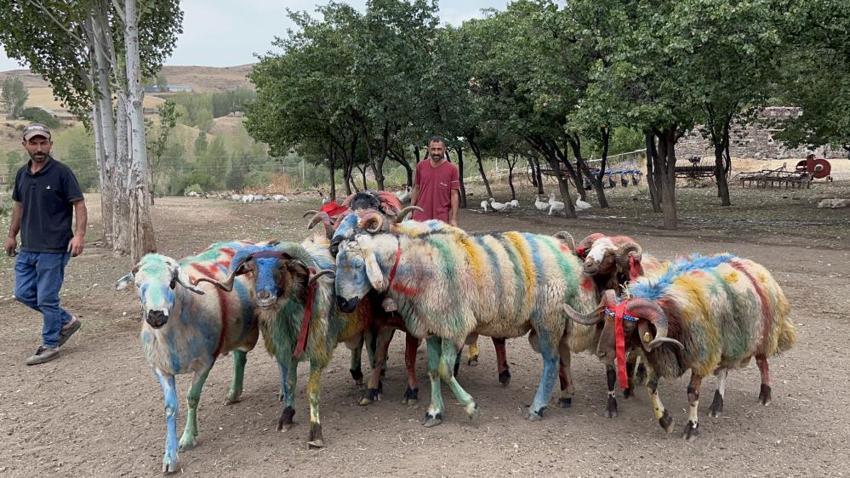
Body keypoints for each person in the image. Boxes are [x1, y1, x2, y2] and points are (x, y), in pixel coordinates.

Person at [5, 123, 87, 365]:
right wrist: (11, 235)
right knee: (22, 293)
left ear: (50, 144)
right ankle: (67, 321)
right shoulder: (22, 173)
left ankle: (50, 344)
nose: (39, 148)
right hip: (28, 247)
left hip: (54, 248)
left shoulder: (62, 172)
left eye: (43, 143)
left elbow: (79, 204)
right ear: (25, 145)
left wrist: (79, 235)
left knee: (47, 298)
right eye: (34, 143)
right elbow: (18, 206)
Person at [410, 136, 460, 226]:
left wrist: (453, 219)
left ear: (444, 149)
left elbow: (454, 194)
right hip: (420, 217)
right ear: (428, 149)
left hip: (441, 218)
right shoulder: (421, 166)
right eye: (433, 149)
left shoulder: (452, 169)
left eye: (439, 149)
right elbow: (416, 188)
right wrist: (411, 210)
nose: (436, 152)